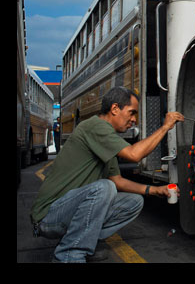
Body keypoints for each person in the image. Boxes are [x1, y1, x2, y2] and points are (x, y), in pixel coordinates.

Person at [30, 86, 184, 263]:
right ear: (115, 109)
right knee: (103, 188)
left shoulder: (105, 137)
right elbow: (135, 155)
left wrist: (155, 190)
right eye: (132, 113)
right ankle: (69, 253)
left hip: (66, 211)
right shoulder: (95, 126)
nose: (134, 120)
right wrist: (165, 127)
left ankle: (83, 242)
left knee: (133, 202)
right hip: (49, 216)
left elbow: (117, 180)